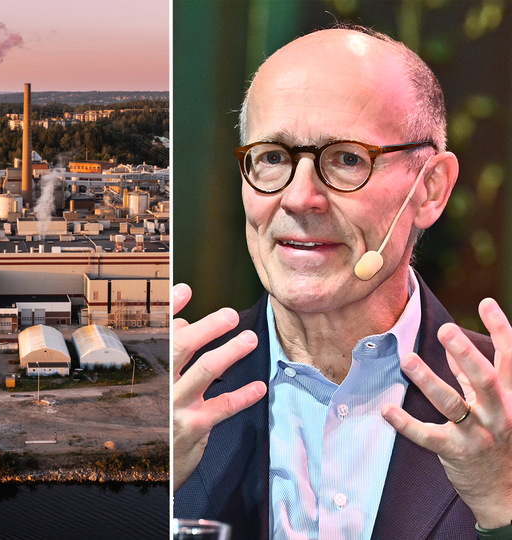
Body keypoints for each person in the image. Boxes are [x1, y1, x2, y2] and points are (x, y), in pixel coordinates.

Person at [172, 26, 512, 540]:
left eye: (347, 159)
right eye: (271, 158)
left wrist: (501, 504)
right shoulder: (162, 396)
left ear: (431, 189)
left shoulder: (504, 408)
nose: (298, 198)